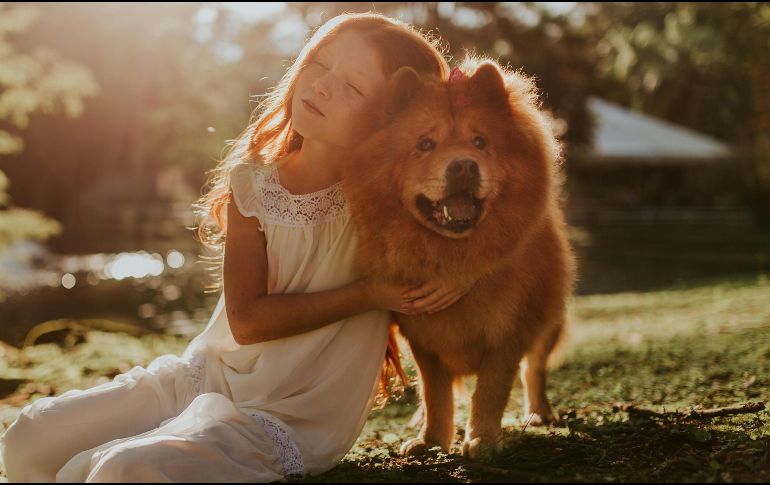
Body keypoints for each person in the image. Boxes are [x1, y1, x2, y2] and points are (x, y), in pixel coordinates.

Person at [0, 12, 477, 482]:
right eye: (318, 63)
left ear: (393, 116)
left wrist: (460, 275)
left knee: (126, 470)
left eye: (352, 86)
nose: (322, 85)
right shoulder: (253, 184)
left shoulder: (394, 201)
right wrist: (371, 295)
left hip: (291, 412)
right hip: (207, 375)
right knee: (29, 438)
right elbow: (247, 323)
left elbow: (482, 236)